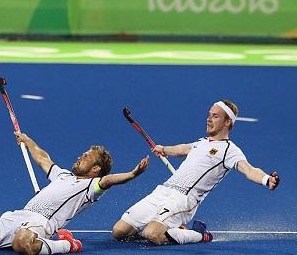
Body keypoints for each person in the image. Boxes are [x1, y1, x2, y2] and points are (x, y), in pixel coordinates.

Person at [0, 132, 149, 255]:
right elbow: (43, 159)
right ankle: (21, 240)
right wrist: (28, 141)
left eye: (86, 157)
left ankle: (67, 245)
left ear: (96, 169)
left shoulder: (91, 187)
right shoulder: (62, 175)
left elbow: (109, 180)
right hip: (15, 217)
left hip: (41, 223)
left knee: (22, 245)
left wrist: (133, 173)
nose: (81, 156)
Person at [112, 100, 281, 245]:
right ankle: (169, 228)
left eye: (215, 116)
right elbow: (182, 149)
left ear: (228, 122)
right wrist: (164, 149)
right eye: (209, 115)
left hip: (184, 199)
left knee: (152, 234)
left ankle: (199, 234)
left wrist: (267, 179)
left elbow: (249, 170)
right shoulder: (201, 143)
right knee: (119, 232)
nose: (209, 119)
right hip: (162, 191)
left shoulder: (230, 151)